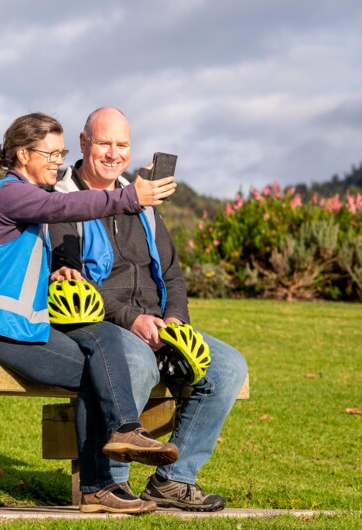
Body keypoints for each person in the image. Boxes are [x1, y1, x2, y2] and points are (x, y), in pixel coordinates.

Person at [0, 112, 178, 514]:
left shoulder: (29, 204)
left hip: (22, 329)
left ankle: (119, 446)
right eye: (50, 153)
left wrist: (59, 270)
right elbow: (66, 207)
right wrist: (129, 197)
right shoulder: (10, 193)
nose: (58, 161)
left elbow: (20, 260)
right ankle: (100, 483)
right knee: (97, 371)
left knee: (103, 339)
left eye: (62, 153)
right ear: (22, 154)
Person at [49, 107, 249, 512]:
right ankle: (110, 486)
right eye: (103, 142)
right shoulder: (63, 202)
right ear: (84, 143)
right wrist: (131, 319)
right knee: (137, 364)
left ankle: (173, 481)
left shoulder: (145, 203)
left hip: (157, 323)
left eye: (122, 144)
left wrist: (175, 320)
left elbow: (172, 274)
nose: (113, 153)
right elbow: (68, 281)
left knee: (229, 367)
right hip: (101, 324)